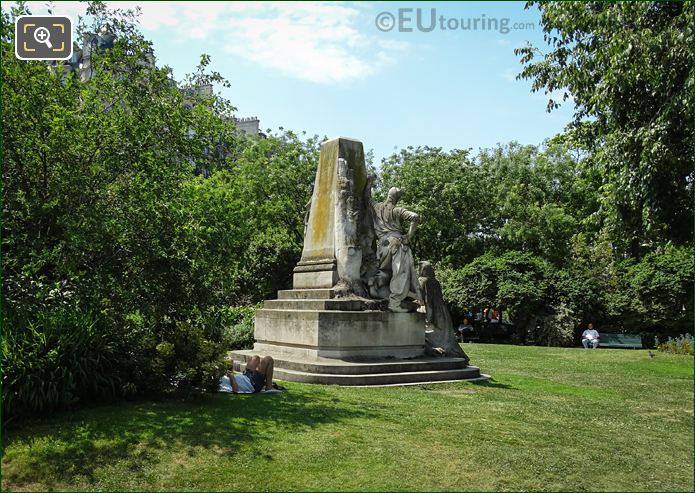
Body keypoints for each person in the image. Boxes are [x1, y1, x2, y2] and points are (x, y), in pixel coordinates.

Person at [367, 183, 421, 312]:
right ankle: (395, 302)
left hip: (382, 245)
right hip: (396, 243)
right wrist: (408, 236)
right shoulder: (397, 210)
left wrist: (369, 183)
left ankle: (373, 282)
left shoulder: (376, 207)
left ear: (388, 195)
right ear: (396, 198)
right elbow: (415, 217)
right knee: (400, 273)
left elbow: (367, 197)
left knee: (385, 272)